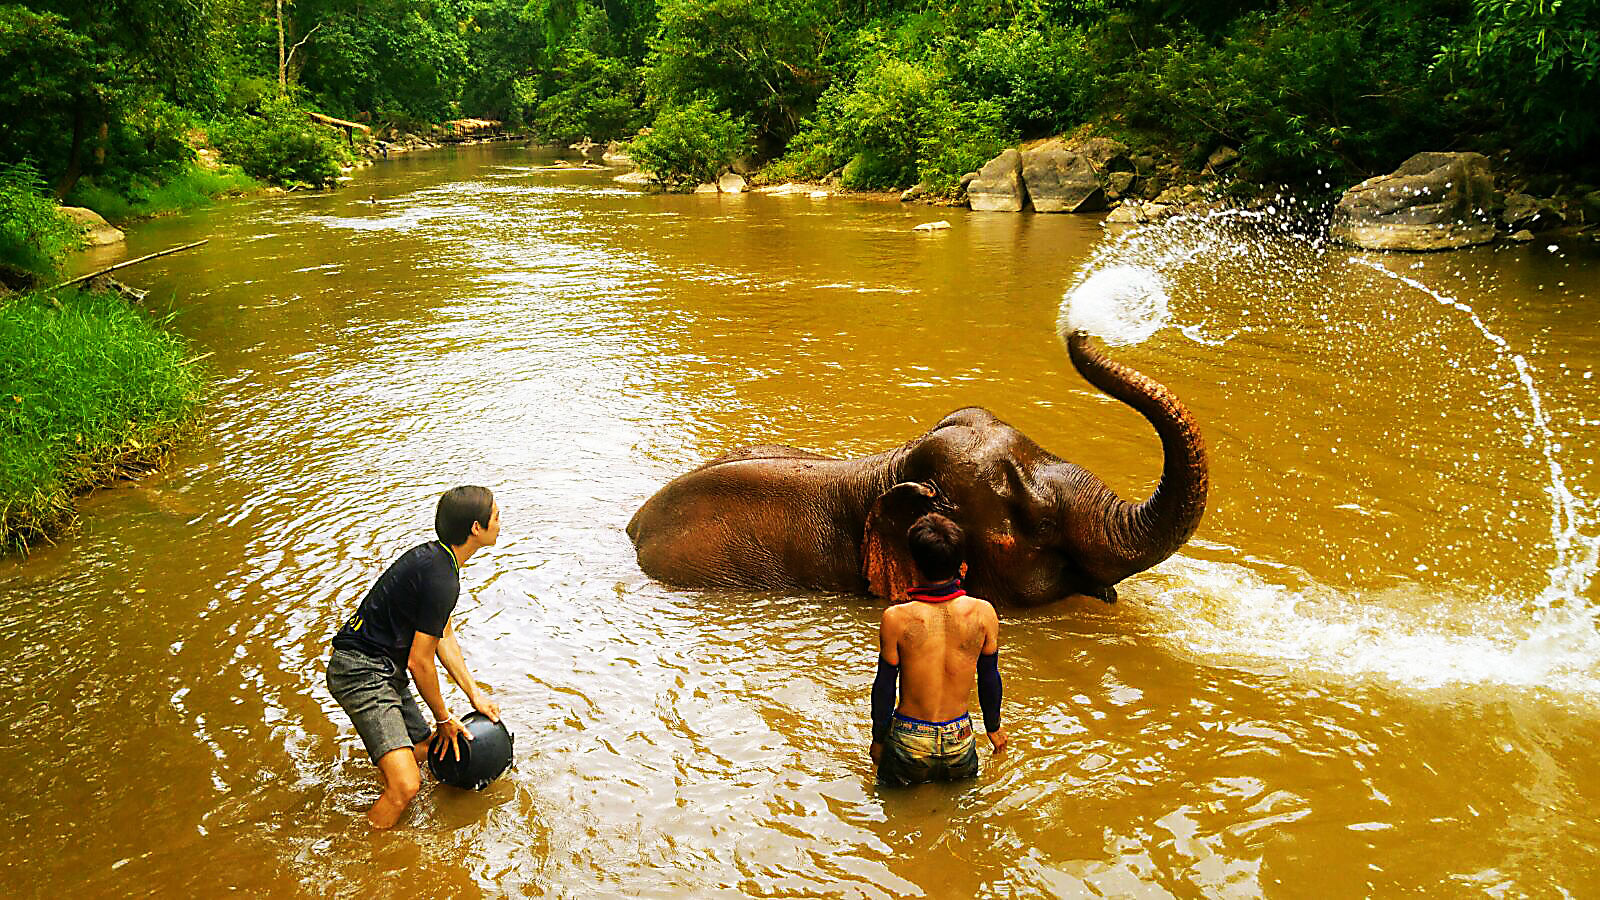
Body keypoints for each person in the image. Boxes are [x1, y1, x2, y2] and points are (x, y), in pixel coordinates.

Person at [325, 486, 503, 828]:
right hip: (361, 671)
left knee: (427, 751)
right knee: (407, 785)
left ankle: (391, 791)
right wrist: (443, 718)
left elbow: (444, 637)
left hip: (383, 668)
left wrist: (474, 694)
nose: (500, 521)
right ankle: (364, 853)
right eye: (495, 516)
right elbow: (419, 663)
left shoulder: (438, 563)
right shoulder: (441, 578)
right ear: (476, 528)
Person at [870, 513, 1008, 785]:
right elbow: (989, 679)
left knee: (892, 816)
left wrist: (878, 739)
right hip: (959, 738)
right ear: (961, 566)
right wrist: (993, 728)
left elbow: (884, 686)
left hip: (910, 739)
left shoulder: (895, 618)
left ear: (914, 565)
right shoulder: (984, 613)